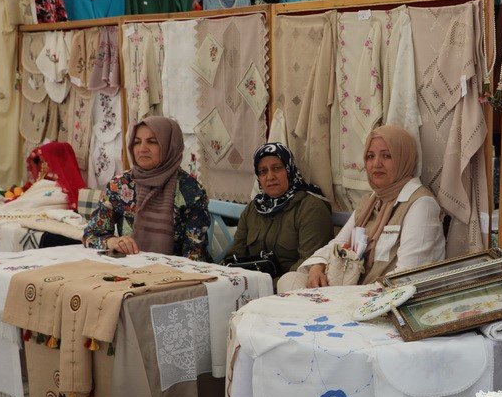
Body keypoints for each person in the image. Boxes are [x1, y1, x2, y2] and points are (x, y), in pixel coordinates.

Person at [295, 125, 444, 289]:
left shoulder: (421, 204)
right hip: (357, 291)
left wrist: (354, 298)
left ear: (404, 159)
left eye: (387, 156)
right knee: (291, 280)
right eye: (370, 156)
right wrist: (318, 267)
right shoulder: (371, 200)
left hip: (389, 300)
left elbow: (406, 276)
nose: (376, 164)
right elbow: (338, 244)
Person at [83, 117, 210, 261]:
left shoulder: (191, 192)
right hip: (129, 269)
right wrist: (113, 241)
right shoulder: (120, 185)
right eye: (137, 142)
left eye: (152, 141)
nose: (142, 149)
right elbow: (91, 235)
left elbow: (195, 255)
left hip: (175, 275)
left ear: (170, 146)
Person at [225, 143, 332, 279]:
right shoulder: (254, 208)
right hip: (253, 284)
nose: (270, 177)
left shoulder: (311, 208)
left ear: (289, 170)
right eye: (263, 171)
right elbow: (235, 253)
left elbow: (308, 263)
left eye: (276, 168)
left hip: (291, 287)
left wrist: (266, 285)